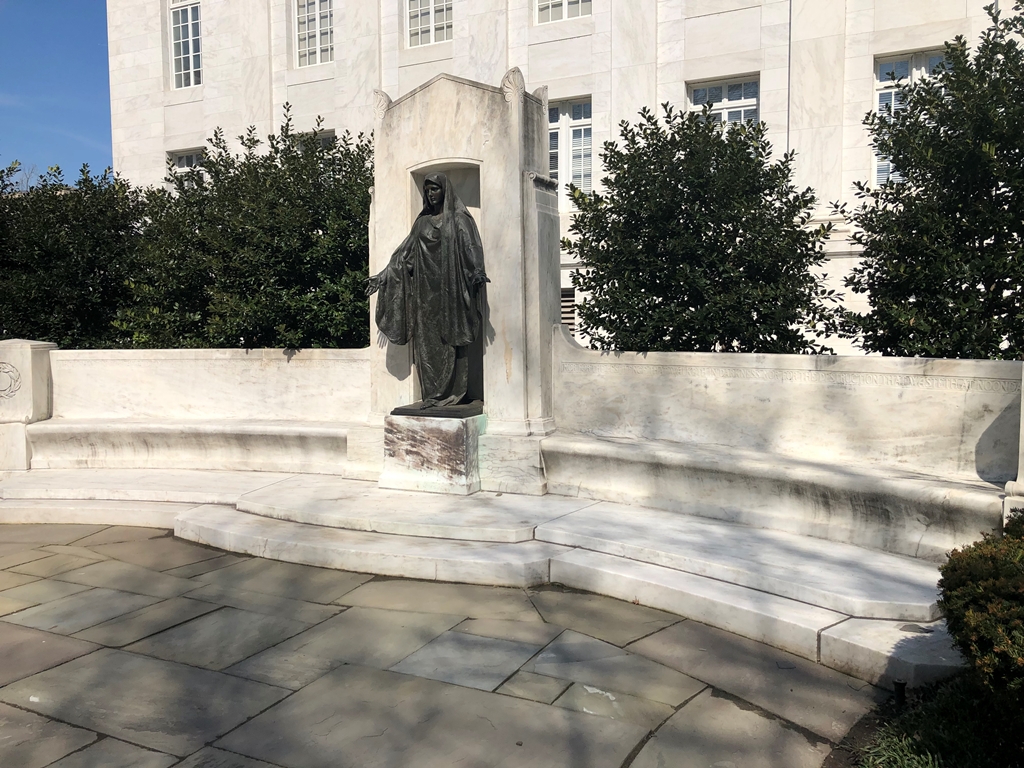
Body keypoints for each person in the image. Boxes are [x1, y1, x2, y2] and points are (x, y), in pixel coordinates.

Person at [366, 172, 489, 408]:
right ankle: (432, 394)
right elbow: (403, 256)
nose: (431, 194)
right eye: (428, 190)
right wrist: (382, 277)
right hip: (425, 295)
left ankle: (455, 393)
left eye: (435, 189)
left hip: (451, 291)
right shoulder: (421, 223)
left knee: (453, 340)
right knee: (426, 344)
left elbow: (470, 247)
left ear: (445, 191)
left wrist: (477, 271)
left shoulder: (459, 220)